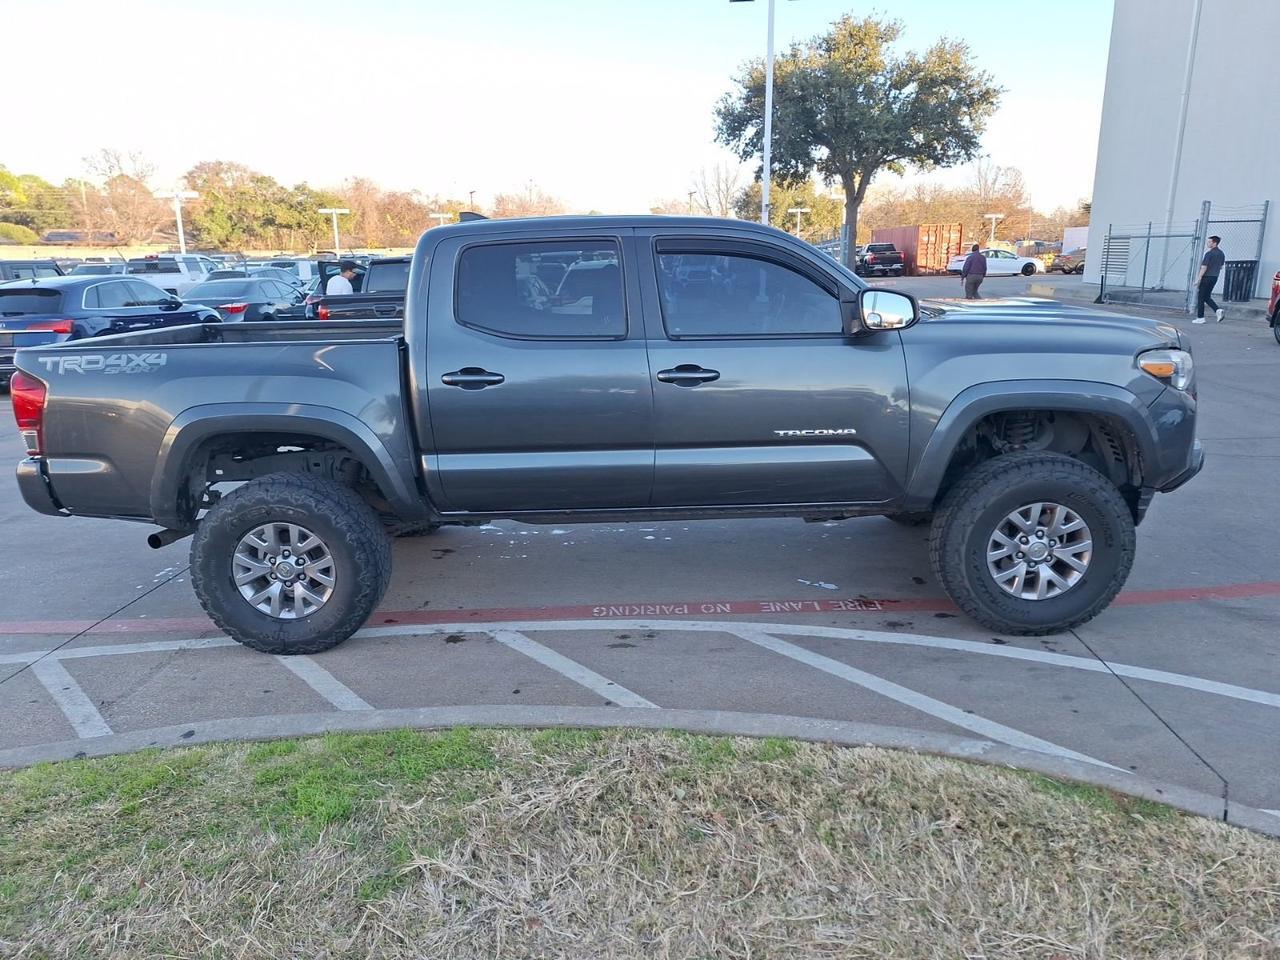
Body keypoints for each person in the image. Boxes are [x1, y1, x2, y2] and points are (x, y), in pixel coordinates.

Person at [1193, 236, 1226, 324]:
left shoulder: (1209, 254)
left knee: (1201, 297)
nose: (1208, 243)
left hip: (1206, 277)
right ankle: (1217, 310)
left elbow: (1204, 267)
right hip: (1214, 277)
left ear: (1214, 243)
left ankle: (1200, 317)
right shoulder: (1221, 253)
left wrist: (1198, 278)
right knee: (1206, 297)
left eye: (1209, 242)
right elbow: (1221, 266)